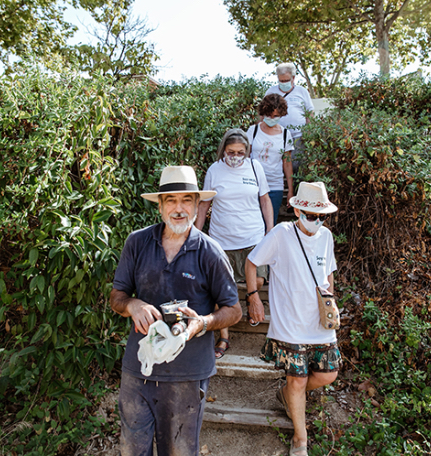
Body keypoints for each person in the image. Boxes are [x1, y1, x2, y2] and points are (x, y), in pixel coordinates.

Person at [110, 165, 242, 456]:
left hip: (188, 374)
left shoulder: (210, 252)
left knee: (179, 452)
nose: (179, 208)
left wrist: (203, 323)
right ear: (160, 206)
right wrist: (133, 304)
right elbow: (117, 296)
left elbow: (233, 310)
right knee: (132, 450)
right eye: (171, 200)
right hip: (139, 370)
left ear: (197, 205)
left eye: (186, 200)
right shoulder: (137, 242)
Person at [245, 181, 340, 456]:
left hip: (319, 322)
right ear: (297, 211)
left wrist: (330, 300)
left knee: (327, 374)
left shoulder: (327, 237)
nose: (317, 222)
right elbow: (252, 262)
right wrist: (253, 296)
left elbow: (329, 272)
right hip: (290, 321)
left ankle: (287, 396)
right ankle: (300, 439)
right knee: (297, 379)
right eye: (312, 216)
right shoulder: (280, 234)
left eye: (321, 216)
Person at [195, 129, 274, 358]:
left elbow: (265, 200)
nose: (236, 156)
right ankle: (224, 337)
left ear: (247, 151)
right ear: (223, 150)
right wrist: (196, 234)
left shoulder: (255, 167)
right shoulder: (214, 170)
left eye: (241, 152)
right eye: (231, 152)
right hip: (222, 240)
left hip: (253, 237)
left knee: (258, 280)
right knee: (220, 289)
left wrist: (270, 231)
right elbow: (203, 205)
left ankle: (251, 299)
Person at [247, 93, 295, 226]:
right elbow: (245, 156)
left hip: (275, 186)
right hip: (253, 184)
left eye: (276, 116)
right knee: (252, 223)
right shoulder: (253, 131)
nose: (272, 119)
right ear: (263, 113)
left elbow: (287, 163)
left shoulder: (286, 135)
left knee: (270, 224)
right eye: (269, 115)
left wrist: (290, 191)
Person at [265, 62, 314, 173]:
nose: (283, 83)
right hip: (276, 137)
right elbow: (263, 113)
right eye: (281, 81)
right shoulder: (271, 91)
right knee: (276, 167)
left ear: (293, 78)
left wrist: (309, 131)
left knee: (297, 167)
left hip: (297, 137)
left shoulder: (302, 91)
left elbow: (309, 113)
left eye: (286, 80)